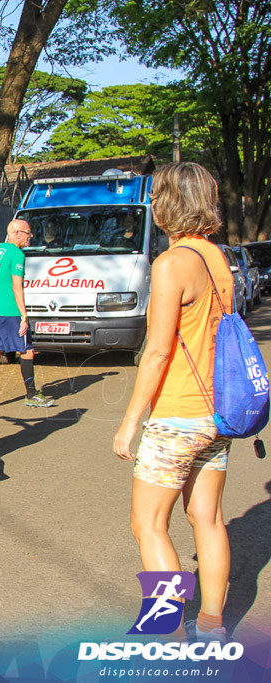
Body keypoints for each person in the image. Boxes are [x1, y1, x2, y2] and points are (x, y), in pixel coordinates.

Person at [113, 162, 235, 643]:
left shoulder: (171, 264)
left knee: (148, 524)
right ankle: (211, 625)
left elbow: (159, 350)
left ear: (166, 204)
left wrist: (129, 422)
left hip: (177, 414)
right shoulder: (216, 257)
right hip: (217, 409)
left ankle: (170, 635)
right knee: (207, 518)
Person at [0, 219, 54, 410]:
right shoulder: (17, 254)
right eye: (28, 232)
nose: (31, 236)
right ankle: (31, 394)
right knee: (27, 351)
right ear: (16, 233)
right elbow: (17, 286)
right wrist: (24, 316)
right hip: (11, 313)